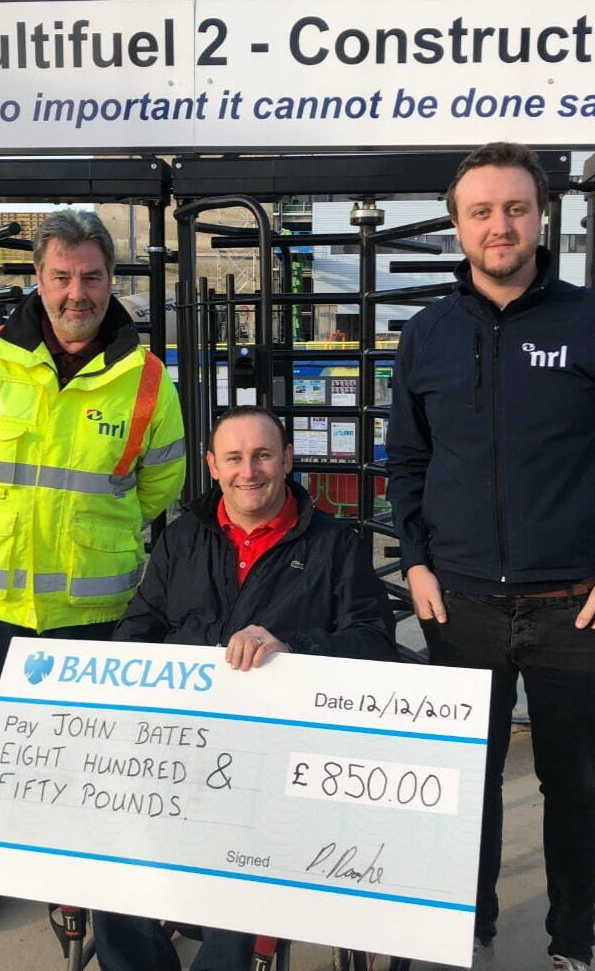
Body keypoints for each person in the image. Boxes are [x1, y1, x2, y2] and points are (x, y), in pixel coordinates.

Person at [385, 143, 595, 971]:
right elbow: (406, 460)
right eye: (480, 211)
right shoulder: (428, 335)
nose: (498, 225)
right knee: (461, 786)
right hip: (461, 608)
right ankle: (465, 924)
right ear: (457, 225)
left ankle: (568, 942)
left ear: (540, 215)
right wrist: (415, 563)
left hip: (574, 606)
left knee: (573, 786)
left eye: (514, 207)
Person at [0, 209, 185, 938]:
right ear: (37, 279)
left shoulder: (146, 381)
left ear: (111, 281)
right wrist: (0, 516)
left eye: (92, 277)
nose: (78, 292)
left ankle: (77, 879)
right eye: (62, 276)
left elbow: (162, 484)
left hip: (94, 607)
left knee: (90, 751)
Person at [94, 405, 397, 971]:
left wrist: (295, 650)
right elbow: (137, 631)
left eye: (262, 455)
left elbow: (374, 640)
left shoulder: (336, 545)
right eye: (233, 458)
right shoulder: (182, 539)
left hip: (282, 761)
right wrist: (203, 648)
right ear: (212, 466)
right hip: (181, 748)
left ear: (287, 459)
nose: (248, 471)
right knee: (112, 856)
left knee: (241, 870)